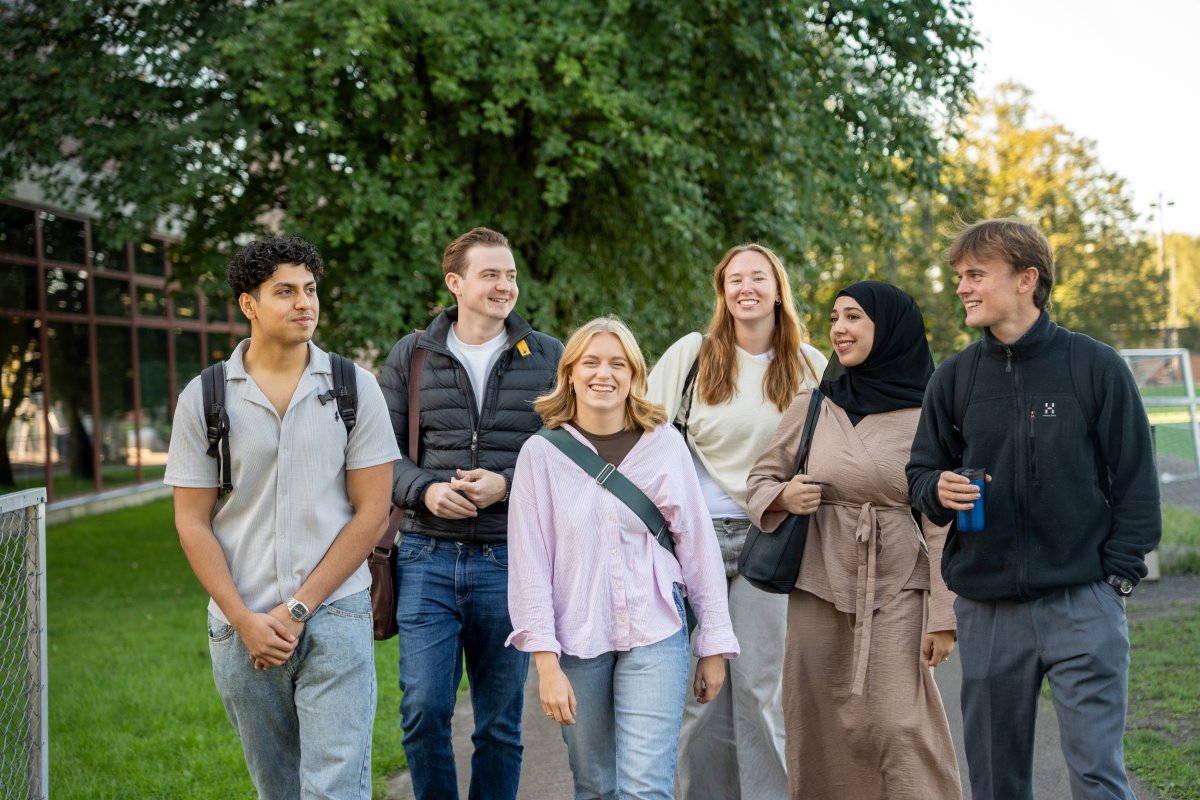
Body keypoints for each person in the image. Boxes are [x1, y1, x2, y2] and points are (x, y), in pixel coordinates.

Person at [906, 219, 1161, 800]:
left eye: (976, 275)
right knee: (996, 782)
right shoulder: (954, 377)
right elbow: (920, 472)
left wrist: (1115, 579)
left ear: (1027, 278)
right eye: (959, 277)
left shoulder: (1095, 367)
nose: (962, 288)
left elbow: (1137, 483)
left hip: (1083, 601)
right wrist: (936, 489)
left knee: (1098, 776)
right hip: (987, 608)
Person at [165, 236, 398, 799]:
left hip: (337, 615)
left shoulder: (352, 387)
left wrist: (299, 608)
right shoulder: (206, 397)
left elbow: (373, 512)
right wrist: (245, 618)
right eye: (285, 292)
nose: (305, 304)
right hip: (241, 623)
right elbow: (192, 521)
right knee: (277, 789)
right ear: (249, 304)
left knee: (335, 788)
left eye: (311, 290)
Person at [505, 316, 739, 800]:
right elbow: (529, 566)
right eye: (590, 362)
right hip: (576, 637)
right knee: (595, 785)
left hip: (656, 630)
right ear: (570, 372)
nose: (603, 374)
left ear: (634, 375)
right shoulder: (540, 455)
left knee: (645, 788)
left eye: (618, 363)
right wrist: (546, 666)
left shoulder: (665, 444)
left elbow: (698, 546)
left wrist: (713, 645)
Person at [746, 281, 961, 800]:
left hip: (896, 584)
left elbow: (939, 521)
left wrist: (943, 616)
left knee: (897, 723)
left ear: (888, 329)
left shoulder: (929, 410)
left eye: (854, 317)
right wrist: (784, 497)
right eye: (836, 317)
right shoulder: (815, 402)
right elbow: (760, 480)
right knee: (818, 722)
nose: (839, 328)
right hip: (817, 580)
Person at [379, 226, 563, 800]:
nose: (505, 285)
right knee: (424, 710)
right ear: (455, 283)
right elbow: (378, 455)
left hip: (512, 561)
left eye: (510, 274)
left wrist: (508, 484)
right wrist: (424, 492)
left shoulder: (550, 355)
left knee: (500, 727)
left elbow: (570, 456)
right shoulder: (412, 355)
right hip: (427, 557)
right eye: (491, 274)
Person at [645, 243, 826, 799]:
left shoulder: (810, 364)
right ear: (722, 292)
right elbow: (645, 438)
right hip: (690, 541)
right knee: (694, 694)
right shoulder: (693, 355)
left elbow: (833, 450)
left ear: (778, 289)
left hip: (768, 540)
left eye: (758, 278)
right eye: (734, 280)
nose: (746, 288)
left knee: (757, 689)